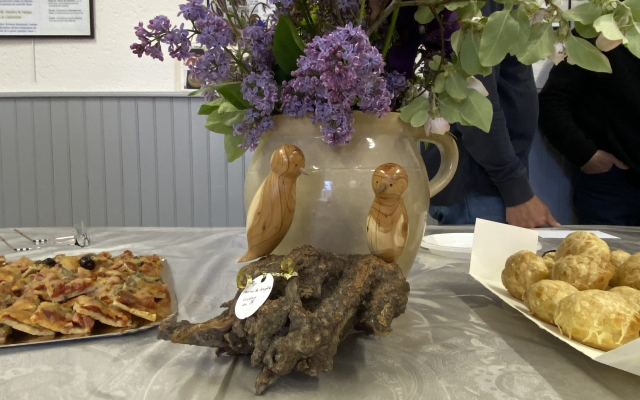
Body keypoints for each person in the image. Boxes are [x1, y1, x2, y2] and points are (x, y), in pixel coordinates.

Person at [422, 2, 559, 229]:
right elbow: (473, 107)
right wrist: (515, 188)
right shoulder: (482, 6)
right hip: (479, 185)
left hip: (486, 183)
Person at [538, 40, 640, 226]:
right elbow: (552, 103)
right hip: (614, 186)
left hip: (613, 185)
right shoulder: (597, 35)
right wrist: (586, 155)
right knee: (600, 246)